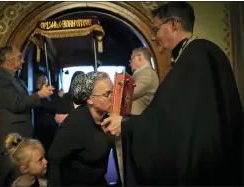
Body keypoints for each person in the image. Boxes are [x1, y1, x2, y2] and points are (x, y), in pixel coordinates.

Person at [101, 2, 243, 186]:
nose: (154, 37)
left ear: (173, 24)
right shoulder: (197, 53)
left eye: (156, 30)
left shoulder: (195, 56)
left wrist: (126, 125)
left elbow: (169, 123)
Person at [0, 45, 54, 186]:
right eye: (19, 57)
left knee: (24, 176)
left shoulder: (15, 78)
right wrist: (39, 94)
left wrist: (39, 94)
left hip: (22, 132)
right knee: (11, 174)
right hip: (12, 135)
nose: (23, 60)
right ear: (7, 57)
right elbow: (16, 104)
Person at [47, 72, 120, 186]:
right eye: (107, 94)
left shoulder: (110, 116)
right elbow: (53, 159)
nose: (113, 98)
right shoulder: (74, 125)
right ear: (90, 99)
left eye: (113, 92)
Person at [130, 47, 159, 115]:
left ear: (139, 56)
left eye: (132, 59)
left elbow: (129, 93)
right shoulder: (144, 73)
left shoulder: (147, 74)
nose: (130, 63)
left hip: (136, 120)